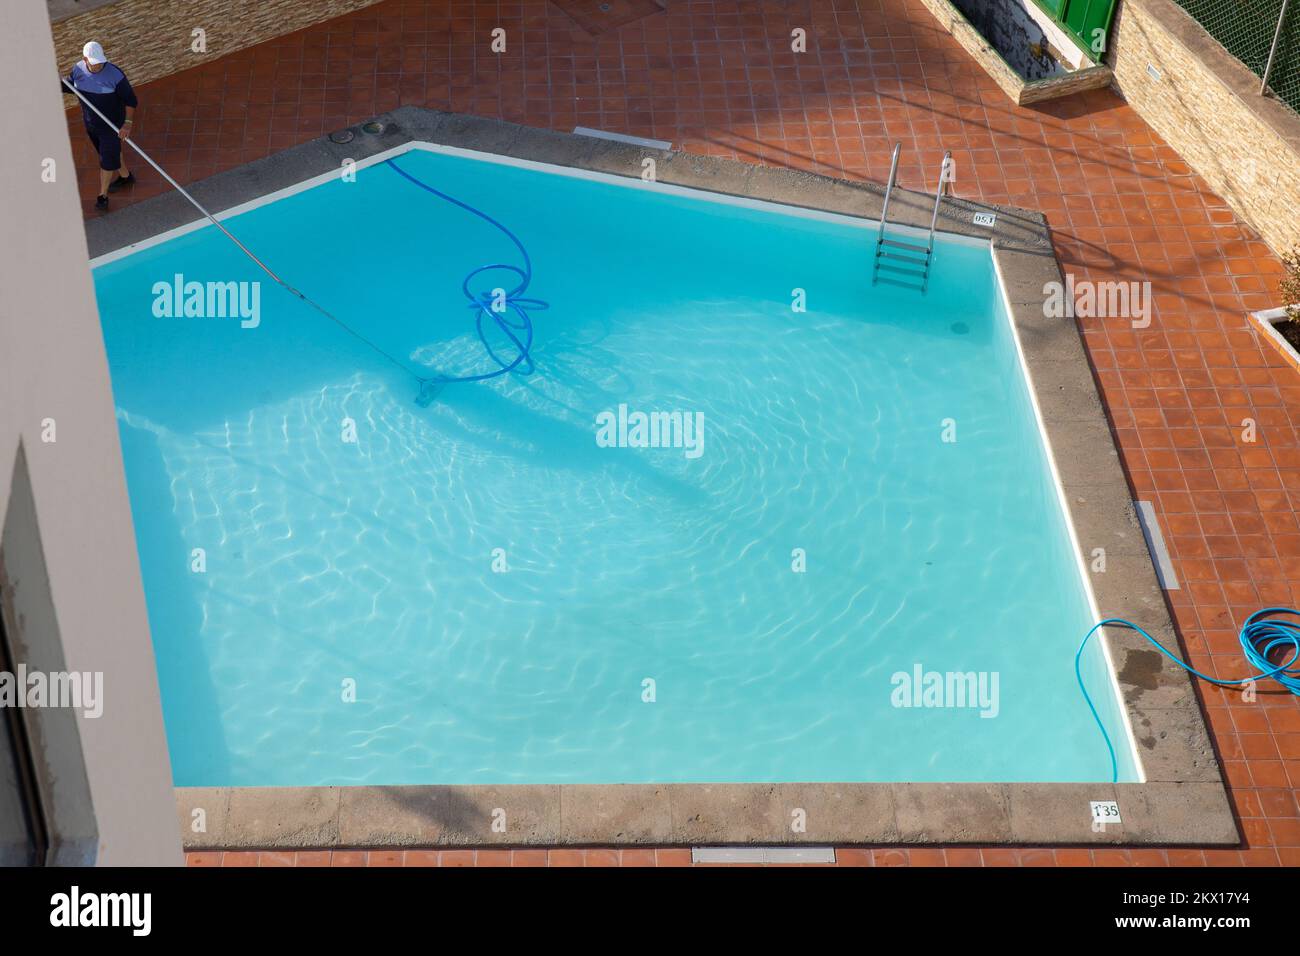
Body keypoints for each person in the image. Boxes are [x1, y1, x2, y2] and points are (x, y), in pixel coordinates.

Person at [61, 41, 138, 210]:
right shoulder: (78, 70)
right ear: (85, 59)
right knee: (111, 153)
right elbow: (71, 86)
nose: (98, 66)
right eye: (94, 63)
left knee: (106, 160)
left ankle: (102, 196)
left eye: (101, 62)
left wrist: (127, 124)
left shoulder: (115, 76)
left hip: (112, 126)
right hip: (92, 124)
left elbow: (131, 101)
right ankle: (126, 177)